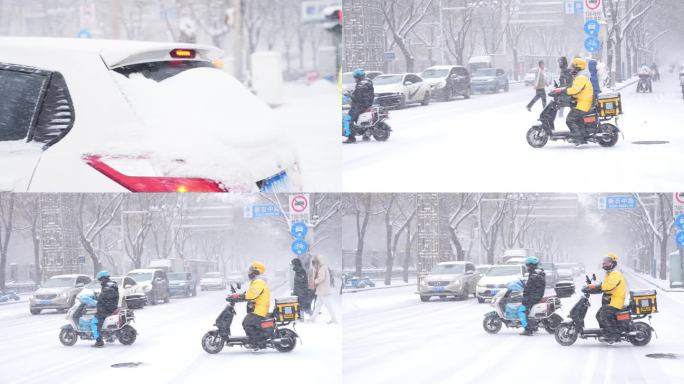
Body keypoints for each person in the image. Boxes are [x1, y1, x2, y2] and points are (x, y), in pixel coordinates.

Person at [551, 58, 594, 144]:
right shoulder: (580, 77)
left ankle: (578, 138)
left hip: (583, 104)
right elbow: (578, 90)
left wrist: (562, 91)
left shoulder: (581, 77)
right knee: (576, 119)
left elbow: (574, 90)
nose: (571, 68)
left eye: (573, 66)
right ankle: (581, 134)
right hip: (582, 102)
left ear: (578, 67)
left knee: (570, 119)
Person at [586, 253, 627, 343]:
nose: (604, 264)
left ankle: (613, 335)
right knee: (598, 315)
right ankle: (606, 332)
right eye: (604, 262)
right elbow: (604, 285)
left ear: (613, 263)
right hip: (611, 300)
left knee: (604, 315)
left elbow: (608, 286)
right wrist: (592, 287)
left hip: (616, 301)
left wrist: (596, 287)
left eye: (606, 263)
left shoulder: (615, 273)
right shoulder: (610, 273)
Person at [229, 261, 270, 348]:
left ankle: (256, 343)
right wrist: (238, 295)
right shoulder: (257, 281)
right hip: (258, 308)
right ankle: (257, 339)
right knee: (249, 322)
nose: (249, 272)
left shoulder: (259, 282)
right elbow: (251, 292)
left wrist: (239, 297)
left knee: (247, 323)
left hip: (259, 309)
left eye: (251, 270)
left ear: (256, 271)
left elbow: (252, 295)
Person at [343, 68, 375, 144]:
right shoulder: (367, 81)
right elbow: (361, 93)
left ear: (358, 76)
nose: (354, 79)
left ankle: (351, 138)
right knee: (357, 119)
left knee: (348, 119)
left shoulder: (361, 84)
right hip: (367, 104)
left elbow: (357, 97)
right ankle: (366, 132)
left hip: (360, 105)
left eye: (355, 77)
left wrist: (350, 95)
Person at [519, 256, 546, 336]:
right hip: (538, 295)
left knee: (521, 310)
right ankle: (533, 325)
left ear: (531, 265)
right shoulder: (538, 272)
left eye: (527, 265)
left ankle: (528, 329)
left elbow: (529, 288)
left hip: (534, 296)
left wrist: (524, 296)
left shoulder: (534, 275)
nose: (526, 267)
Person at [92, 271, 119, 348]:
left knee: (95, 322)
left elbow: (106, 297)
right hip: (110, 306)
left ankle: (99, 341)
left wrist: (99, 298)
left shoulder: (108, 286)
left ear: (103, 278)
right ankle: (109, 336)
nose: (100, 281)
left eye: (100, 279)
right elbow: (107, 296)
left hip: (106, 308)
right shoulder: (111, 284)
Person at [309, 255, 338, 324]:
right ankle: (312, 318)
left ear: (317, 263)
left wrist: (313, 282)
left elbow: (321, 278)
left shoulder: (322, 268)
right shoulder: (319, 268)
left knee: (328, 306)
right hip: (320, 291)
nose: (314, 266)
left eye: (314, 264)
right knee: (317, 306)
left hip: (323, 291)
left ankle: (334, 319)